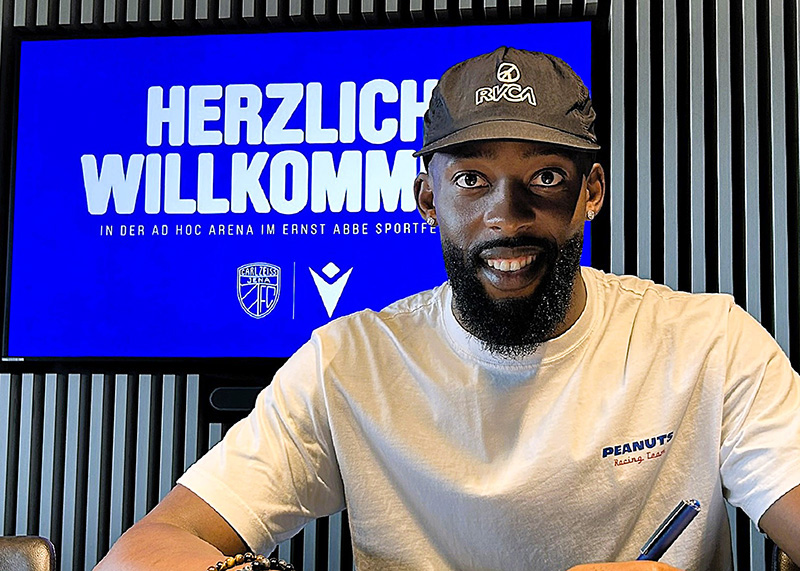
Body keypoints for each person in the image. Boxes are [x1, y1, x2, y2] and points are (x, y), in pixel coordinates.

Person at [96, 48, 800, 571]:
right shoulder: (349, 363)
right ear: (428, 200)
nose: (506, 216)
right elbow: (139, 554)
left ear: (590, 192)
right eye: (471, 179)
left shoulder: (708, 343)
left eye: (544, 176)